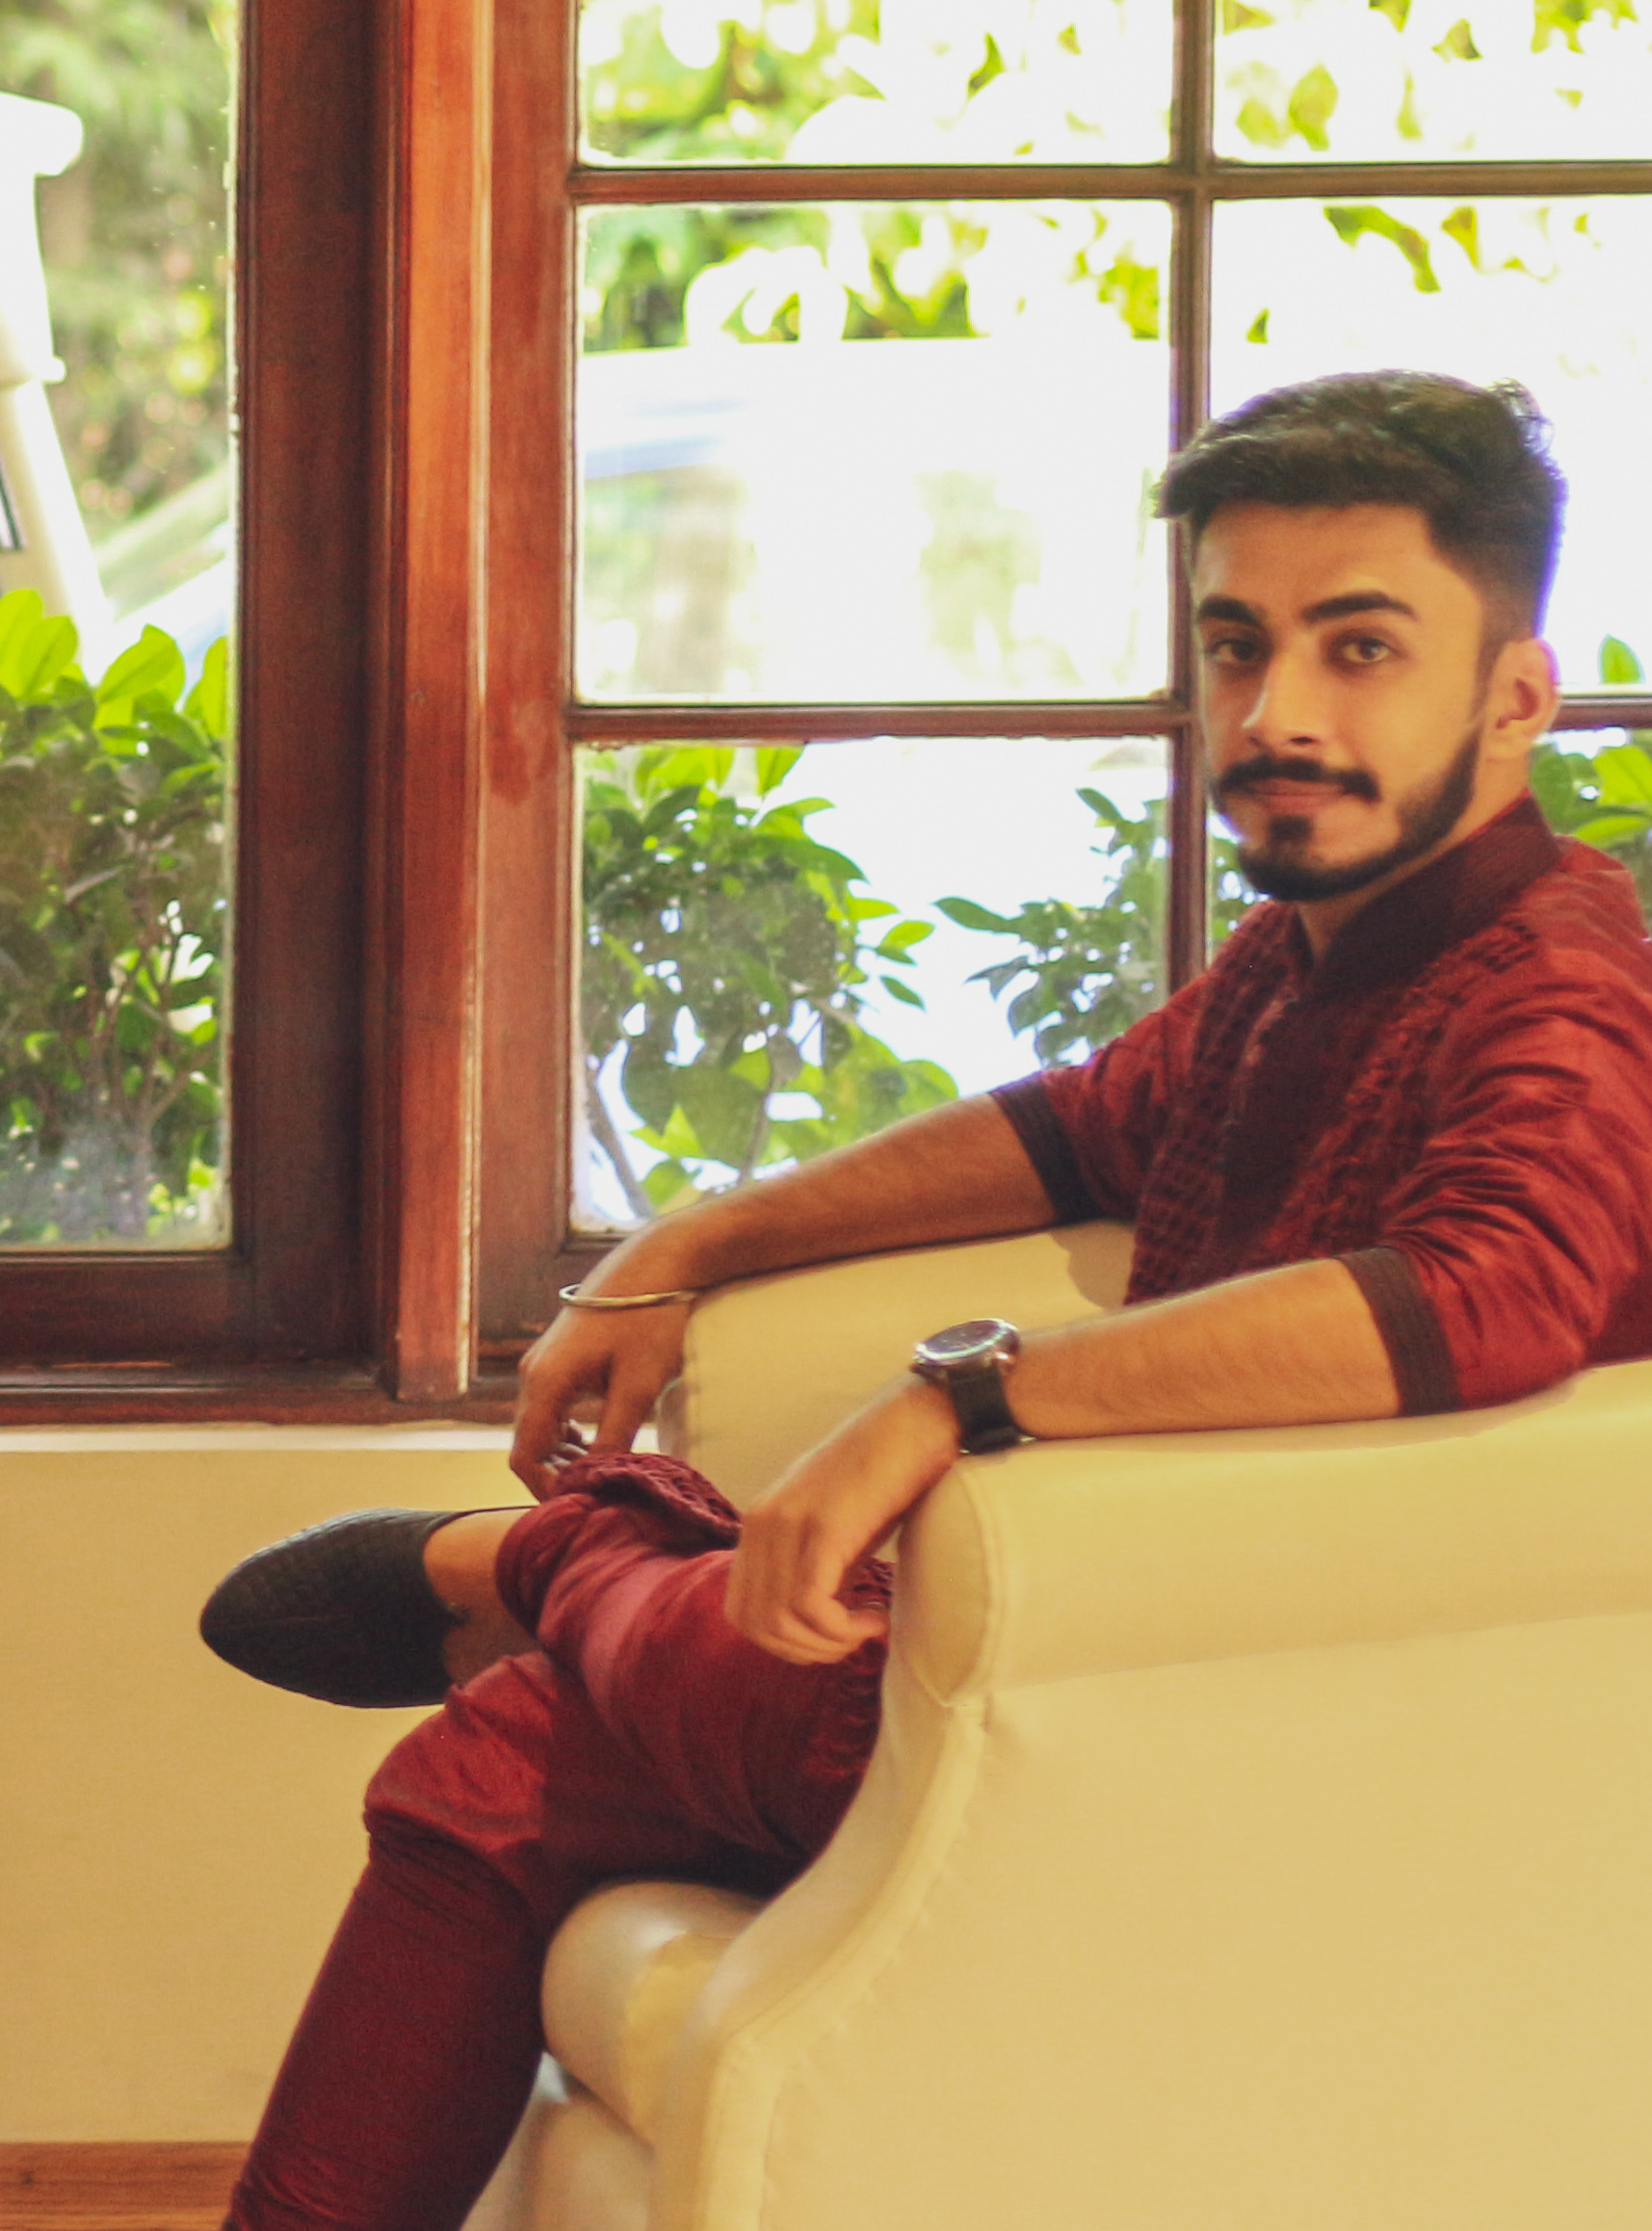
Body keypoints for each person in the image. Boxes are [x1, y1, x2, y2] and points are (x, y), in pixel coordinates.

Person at [191, 370, 1652, 2231]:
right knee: (498, 1764)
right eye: (1236, 647)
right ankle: (571, 1563)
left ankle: (554, 1556)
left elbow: (1481, 1295)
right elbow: (1073, 1130)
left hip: (1252, 1737)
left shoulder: (1558, 987)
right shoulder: (1305, 964)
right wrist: (693, 1240)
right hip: (1108, 1659)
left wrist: (961, 1397)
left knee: (561, 1716)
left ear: (1517, 696)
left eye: (1360, 649)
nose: (1278, 715)